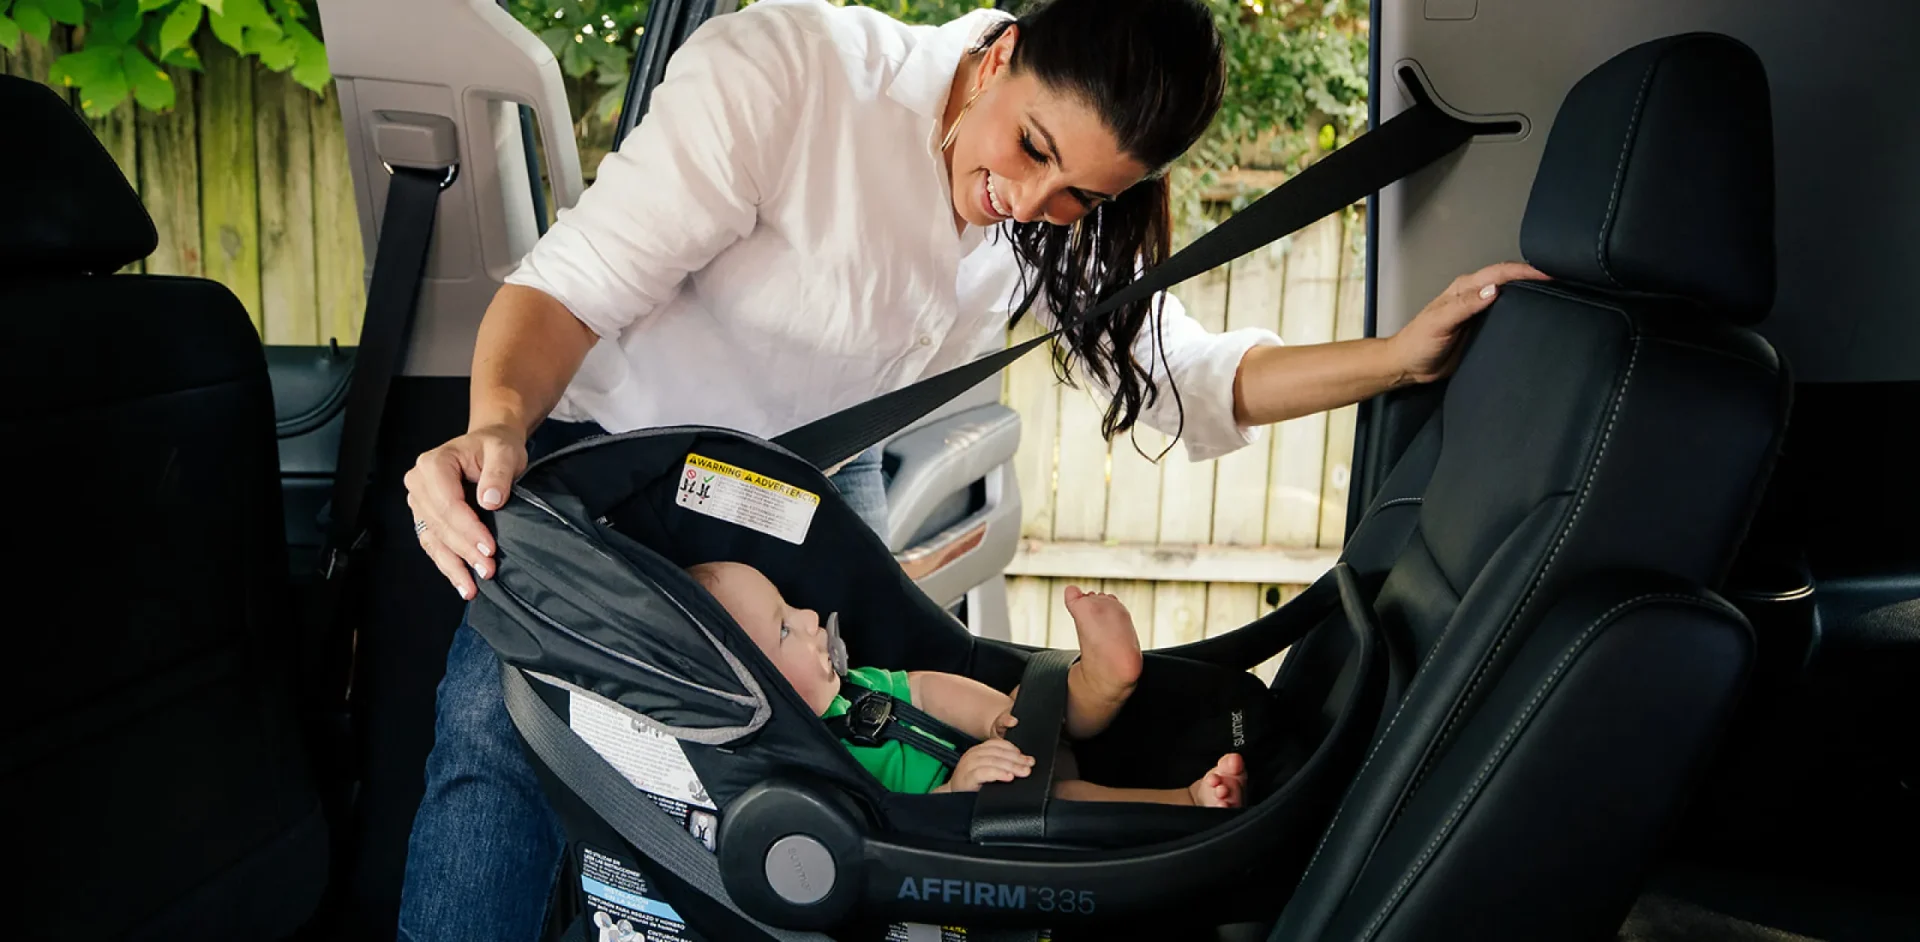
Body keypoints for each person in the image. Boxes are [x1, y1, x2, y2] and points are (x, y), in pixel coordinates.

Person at [396, 0, 1547, 938]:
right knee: (504, 739)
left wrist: (1397, 359)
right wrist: (496, 423)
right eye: (1031, 150)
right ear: (998, 57)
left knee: (838, 786)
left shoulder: (1049, 216)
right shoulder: (791, 72)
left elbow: (1188, 370)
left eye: (1082, 196)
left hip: (797, 506)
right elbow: (569, 289)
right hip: (621, 476)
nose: (1034, 207)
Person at [689, 561, 1248, 807]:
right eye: (785, 627)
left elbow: (926, 690)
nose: (811, 617)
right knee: (1061, 797)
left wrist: (993, 718)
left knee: (1039, 706)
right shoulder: (804, 774)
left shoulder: (852, 690)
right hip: (989, 810)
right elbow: (888, 833)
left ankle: (1102, 679)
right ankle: (1184, 802)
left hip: (1000, 742)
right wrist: (954, 794)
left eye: (793, 606)